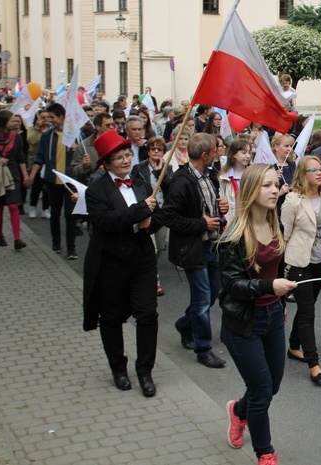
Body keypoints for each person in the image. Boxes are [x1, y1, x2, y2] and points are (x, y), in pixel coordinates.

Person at [218, 163, 297, 464]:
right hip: (243, 325)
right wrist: (269, 286)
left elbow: (276, 270)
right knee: (262, 390)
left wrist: (281, 298)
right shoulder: (233, 236)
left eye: (275, 184)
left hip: (273, 318)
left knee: (272, 385)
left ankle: (238, 411)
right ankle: (265, 453)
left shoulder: (276, 222)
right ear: (251, 190)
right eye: (266, 185)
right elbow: (233, 285)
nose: (275, 189)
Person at [82, 130, 160, 397]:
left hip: (142, 260)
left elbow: (155, 217)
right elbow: (105, 223)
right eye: (119, 157)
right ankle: (118, 367)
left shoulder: (140, 182)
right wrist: (139, 214)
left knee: (148, 314)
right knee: (112, 317)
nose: (126, 161)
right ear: (106, 163)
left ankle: (145, 371)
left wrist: (150, 223)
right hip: (112, 262)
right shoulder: (96, 190)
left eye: (128, 155)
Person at [155, 133, 229, 368]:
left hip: (212, 246)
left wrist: (220, 209)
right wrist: (201, 224)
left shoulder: (209, 176)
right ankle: (203, 348)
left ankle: (184, 324)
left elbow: (209, 206)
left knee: (214, 292)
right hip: (193, 249)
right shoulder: (182, 181)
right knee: (202, 300)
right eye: (216, 149)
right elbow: (169, 216)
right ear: (205, 155)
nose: (220, 151)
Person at [280, 155, 321, 383]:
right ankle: (313, 363)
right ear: (303, 174)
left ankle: (293, 346)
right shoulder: (292, 200)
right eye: (313, 169)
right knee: (308, 313)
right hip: (299, 263)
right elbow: (284, 236)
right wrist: (282, 268)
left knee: (306, 307)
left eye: (320, 169)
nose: (319, 173)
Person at [25, 103, 79, 259]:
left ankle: (71, 248)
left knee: (70, 215)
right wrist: (31, 176)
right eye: (48, 117)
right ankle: (56, 244)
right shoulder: (47, 136)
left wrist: (78, 152)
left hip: (70, 182)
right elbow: (40, 157)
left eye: (52, 117)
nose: (49, 120)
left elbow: (82, 158)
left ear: (61, 117)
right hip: (52, 181)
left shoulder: (74, 135)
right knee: (55, 213)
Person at [131, 136, 173, 297]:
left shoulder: (167, 168)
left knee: (161, 246)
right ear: (148, 151)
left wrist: (159, 172)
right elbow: (135, 186)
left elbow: (170, 187)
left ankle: (148, 267)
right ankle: (153, 279)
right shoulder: (139, 168)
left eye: (159, 149)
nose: (156, 151)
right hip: (147, 211)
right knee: (152, 246)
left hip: (161, 212)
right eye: (153, 148)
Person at [0, 110, 28, 250]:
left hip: (13, 174)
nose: (14, 123)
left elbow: (20, 157)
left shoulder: (17, 137)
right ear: (3, 122)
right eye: (11, 120)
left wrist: (26, 176)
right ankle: (0, 235)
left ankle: (17, 239)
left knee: (13, 205)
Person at [71, 112, 116, 184]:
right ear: (98, 127)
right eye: (107, 125)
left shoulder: (119, 141)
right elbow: (75, 171)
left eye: (113, 125)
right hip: (94, 185)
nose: (111, 127)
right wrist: (84, 166)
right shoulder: (84, 146)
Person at [219, 138, 252, 223]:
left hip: (249, 220)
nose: (248, 156)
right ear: (234, 154)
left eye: (249, 153)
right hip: (231, 221)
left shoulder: (252, 175)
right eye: (244, 153)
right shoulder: (223, 177)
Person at [26, 110, 50, 219]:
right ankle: (33, 206)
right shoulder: (31, 129)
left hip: (48, 162)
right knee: (36, 186)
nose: (45, 120)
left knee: (47, 187)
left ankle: (46, 208)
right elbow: (31, 141)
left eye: (47, 117)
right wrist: (37, 128)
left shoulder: (51, 130)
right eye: (42, 117)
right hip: (35, 161)